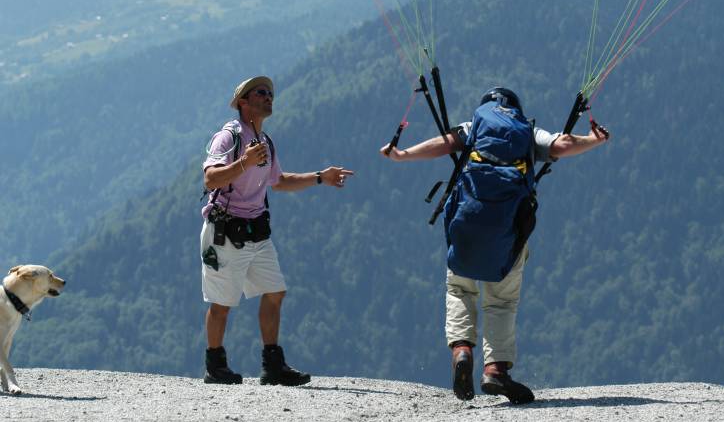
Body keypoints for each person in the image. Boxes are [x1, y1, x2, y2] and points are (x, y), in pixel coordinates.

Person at [380, 86, 609, 403]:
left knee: (460, 288)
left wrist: (403, 155)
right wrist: (594, 140)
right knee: (501, 301)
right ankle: (496, 370)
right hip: (507, 230)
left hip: (466, 224)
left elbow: (445, 143)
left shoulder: (475, 125)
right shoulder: (527, 131)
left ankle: (462, 350)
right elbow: (563, 144)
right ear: (515, 107)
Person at [201, 75, 354, 385]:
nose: (269, 97)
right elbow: (210, 179)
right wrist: (242, 163)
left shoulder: (265, 142)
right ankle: (215, 365)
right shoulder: (229, 138)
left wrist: (320, 177)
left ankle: (272, 364)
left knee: (275, 292)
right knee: (222, 303)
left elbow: (280, 181)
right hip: (225, 232)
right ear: (243, 102)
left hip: (256, 231)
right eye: (261, 93)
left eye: (270, 93)